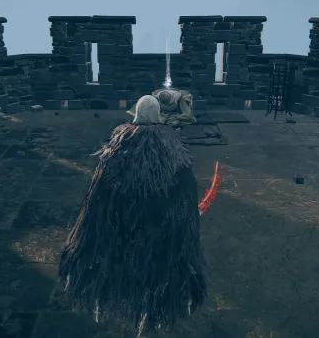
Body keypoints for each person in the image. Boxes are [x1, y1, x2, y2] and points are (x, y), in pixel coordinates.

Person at [58, 95, 208, 336]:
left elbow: (99, 190)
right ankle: (151, 311)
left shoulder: (119, 143)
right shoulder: (172, 143)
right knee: (157, 269)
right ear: (158, 115)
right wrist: (187, 213)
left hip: (124, 220)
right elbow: (185, 186)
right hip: (159, 224)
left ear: (137, 114)